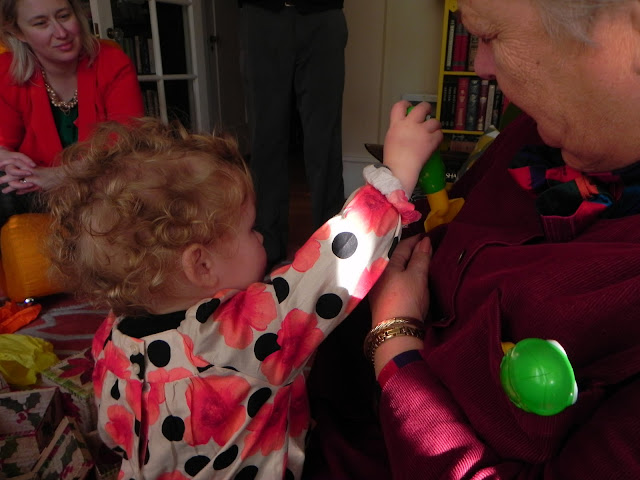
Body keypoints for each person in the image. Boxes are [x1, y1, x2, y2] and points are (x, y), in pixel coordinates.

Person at [302, 0, 640, 478]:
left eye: (490, 35)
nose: (481, 66)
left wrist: (394, 340)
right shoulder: (537, 133)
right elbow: (440, 228)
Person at [45, 102, 441, 479]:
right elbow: (333, 265)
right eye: (250, 229)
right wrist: (397, 170)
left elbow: (114, 431)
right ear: (201, 266)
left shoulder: (112, 336)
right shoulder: (243, 335)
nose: (262, 236)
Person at [0, 0, 144, 227]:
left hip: (103, 184)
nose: (61, 33)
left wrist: (55, 176)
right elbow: (3, 140)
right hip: (34, 188)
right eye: (41, 23)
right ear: (18, 33)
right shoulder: (6, 70)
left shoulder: (113, 63)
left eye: (64, 16)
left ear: (77, 15)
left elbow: (124, 149)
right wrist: (6, 159)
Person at [238, 0, 348, 267]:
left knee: (325, 140)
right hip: (262, 13)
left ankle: (333, 248)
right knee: (265, 138)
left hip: (324, 13)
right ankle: (269, 244)